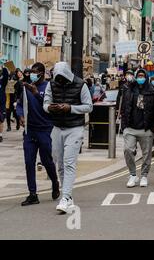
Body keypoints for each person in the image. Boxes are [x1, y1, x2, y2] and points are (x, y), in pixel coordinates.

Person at [44, 62, 93, 213]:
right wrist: (50, 108)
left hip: (75, 128)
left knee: (69, 163)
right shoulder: (51, 85)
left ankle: (65, 197)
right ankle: (68, 197)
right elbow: (45, 104)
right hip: (57, 127)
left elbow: (89, 106)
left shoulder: (81, 85)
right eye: (57, 78)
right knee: (60, 164)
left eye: (62, 78)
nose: (59, 81)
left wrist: (70, 108)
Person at [16, 63, 60, 206]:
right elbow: (21, 105)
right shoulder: (26, 87)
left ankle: (54, 182)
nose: (32, 75)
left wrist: (36, 93)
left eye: (35, 73)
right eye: (31, 73)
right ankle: (32, 194)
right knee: (29, 162)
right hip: (30, 131)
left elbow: (50, 107)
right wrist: (21, 116)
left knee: (47, 161)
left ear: (41, 73)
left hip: (45, 129)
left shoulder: (49, 87)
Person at [120, 68, 154, 188]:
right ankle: (132, 174)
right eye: (139, 76)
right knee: (128, 150)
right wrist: (123, 123)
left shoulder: (152, 91)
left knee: (146, 154)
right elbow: (124, 105)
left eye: (143, 76)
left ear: (146, 77)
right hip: (130, 127)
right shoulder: (129, 89)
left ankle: (144, 175)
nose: (140, 78)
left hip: (146, 128)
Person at [0, 65, 9, 142]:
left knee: (0, 120)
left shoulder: (2, 82)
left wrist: (4, 67)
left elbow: (6, 76)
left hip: (1, 104)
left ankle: (0, 135)